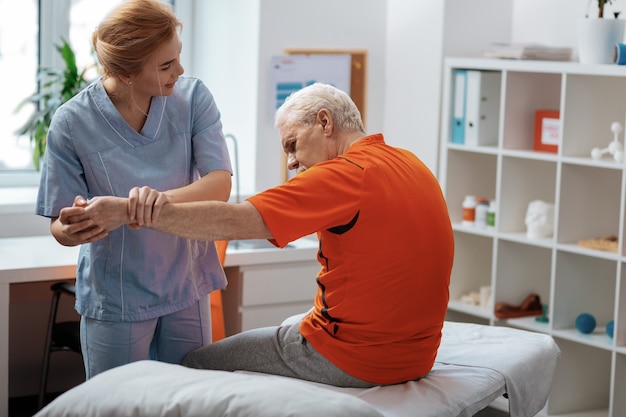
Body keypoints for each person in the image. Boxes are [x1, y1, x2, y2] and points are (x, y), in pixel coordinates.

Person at [70, 82, 454, 388]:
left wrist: (127, 212)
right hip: (417, 356)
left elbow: (236, 221)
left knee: (190, 365)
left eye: (292, 145)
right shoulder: (409, 162)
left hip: (358, 360)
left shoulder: (345, 175)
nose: (291, 162)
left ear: (324, 122)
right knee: (288, 326)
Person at [35, 0, 232, 379]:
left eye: (178, 57)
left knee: (188, 402)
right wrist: (73, 226)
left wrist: (136, 207)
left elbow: (219, 185)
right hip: (117, 296)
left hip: (185, 284)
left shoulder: (193, 99)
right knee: (117, 405)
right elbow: (58, 227)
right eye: (165, 65)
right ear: (125, 74)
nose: (181, 70)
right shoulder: (72, 122)